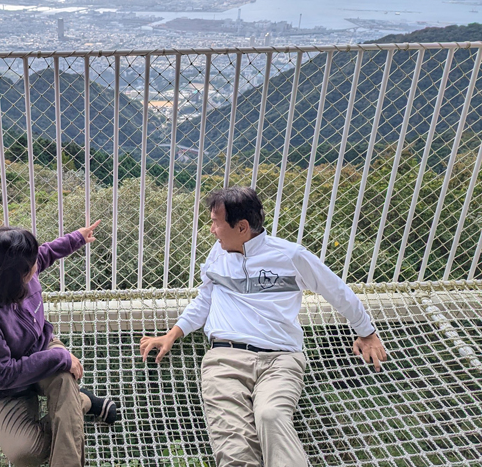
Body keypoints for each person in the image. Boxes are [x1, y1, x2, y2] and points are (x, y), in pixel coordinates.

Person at [140, 187, 387, 467]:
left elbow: (336, 291)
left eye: (215, 222)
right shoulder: (217, 254)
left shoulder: (290, 256)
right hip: (225, 359)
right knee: (234, 446)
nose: (211, 230)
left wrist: (366, 332)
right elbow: (205, 299)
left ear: (242, 227)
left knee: (271, 415)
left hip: (281, 359)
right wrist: (173, 334)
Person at [0, 222, 119, 467]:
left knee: (64, 379)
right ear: (11, 276)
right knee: (26, 454)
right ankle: (81, 403)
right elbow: (3, 375)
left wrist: (78, 238)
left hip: (41, 348)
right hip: (3, 390)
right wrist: (61, 358)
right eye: (30, 268)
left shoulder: (21, 269)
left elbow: (46, 253)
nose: (36, 267)